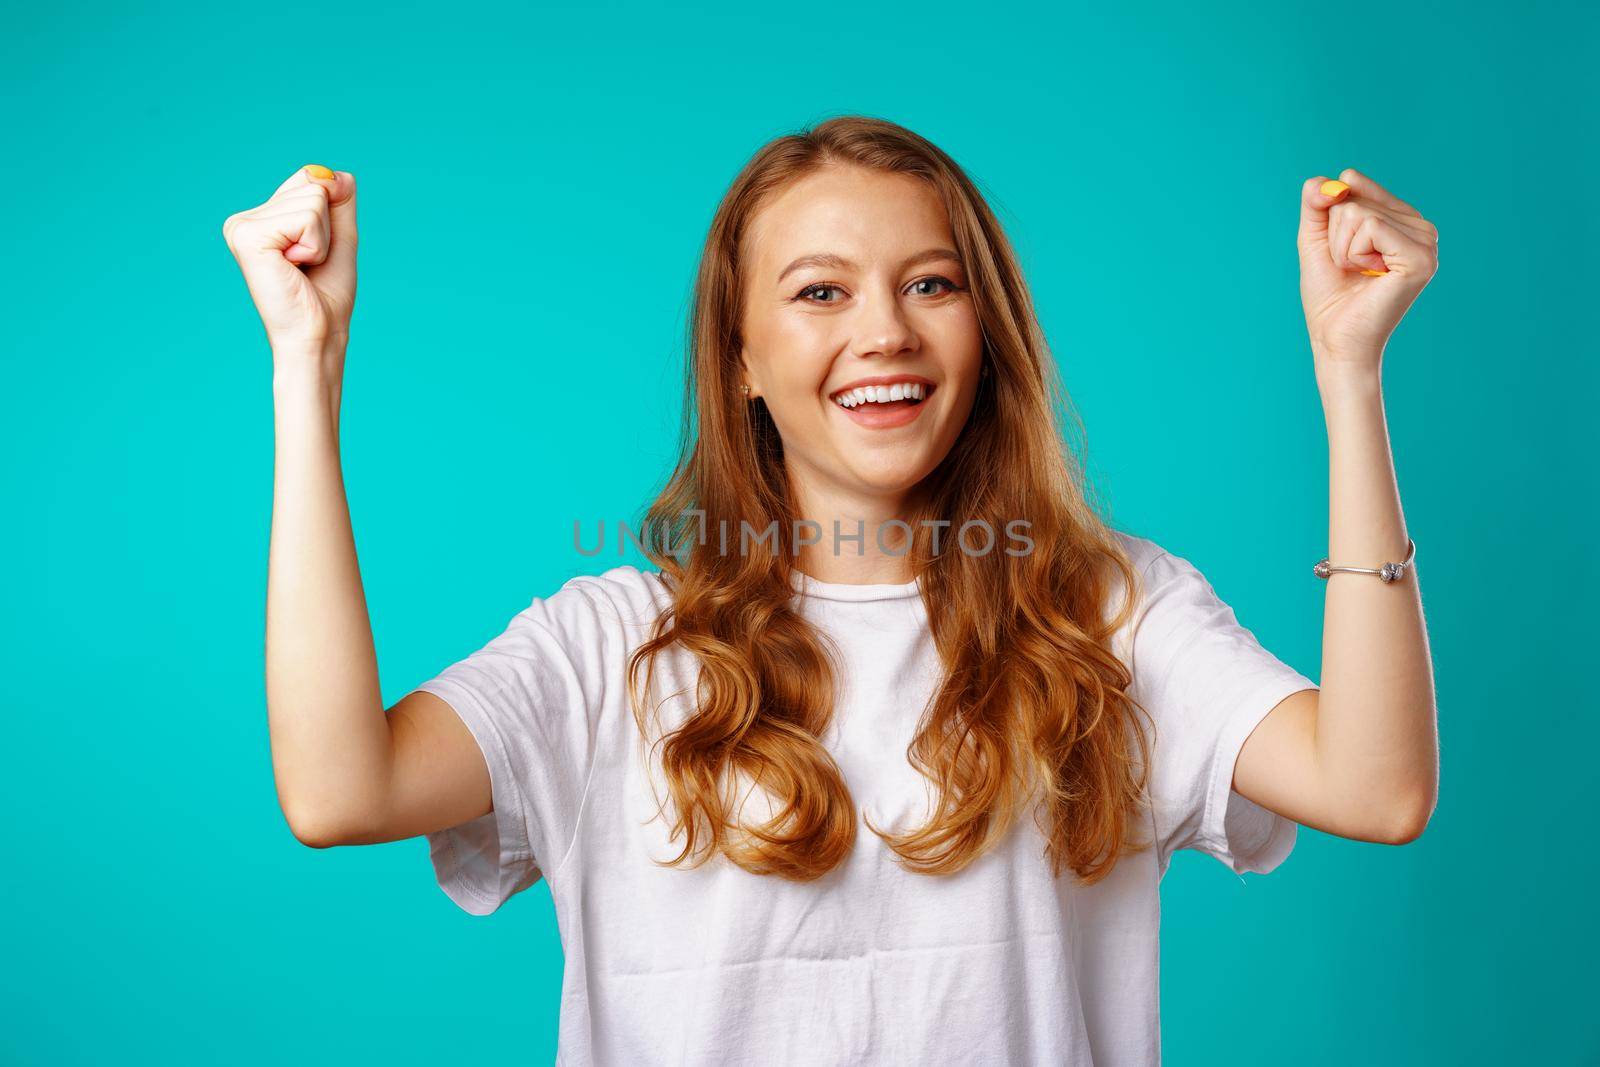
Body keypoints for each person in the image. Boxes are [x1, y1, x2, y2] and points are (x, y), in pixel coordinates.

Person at [223, 115, 1440, 1065]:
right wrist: (303, 367)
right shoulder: (612, 648)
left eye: (931, 283)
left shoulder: (1107, 611)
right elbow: (341, 788)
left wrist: (1350, 370)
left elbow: (1374, 785)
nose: (887, 334)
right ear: (742, 356)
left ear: (986, 327)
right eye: (819, 292)